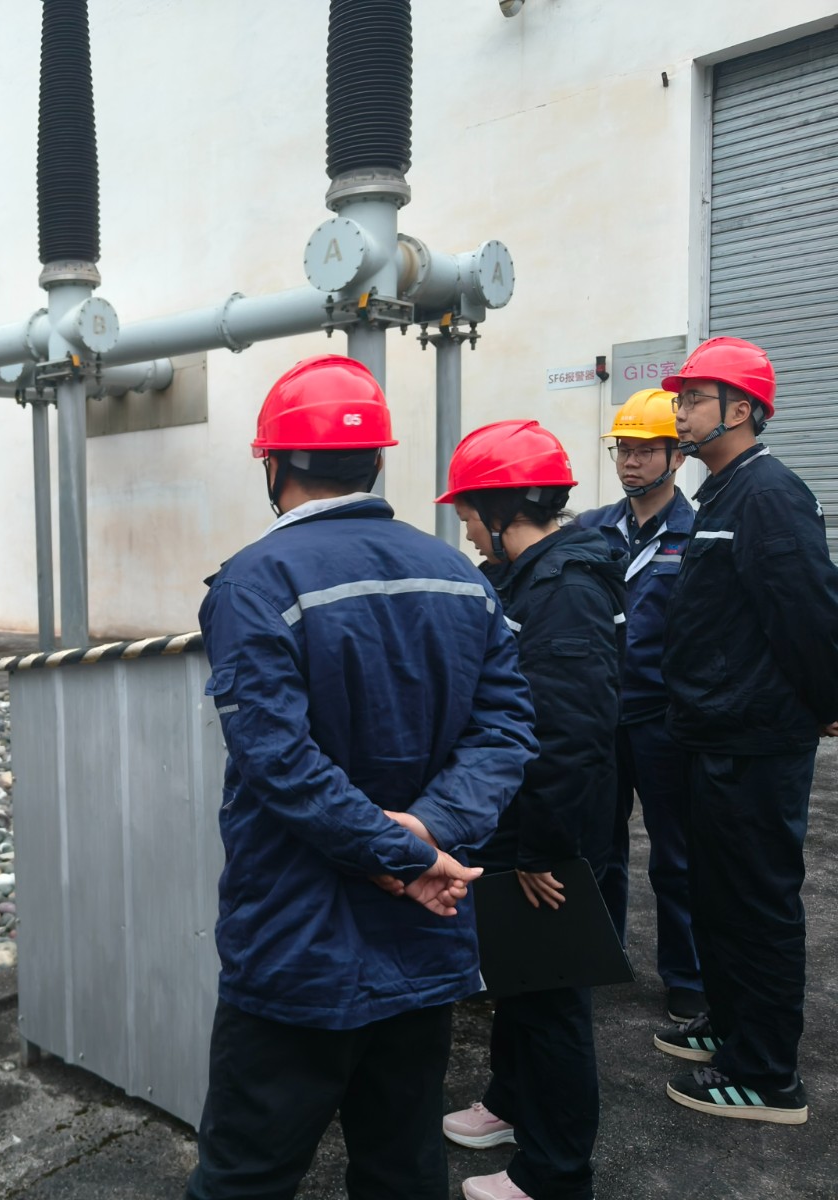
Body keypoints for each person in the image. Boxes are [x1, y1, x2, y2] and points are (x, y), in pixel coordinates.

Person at [185, 356, 537, 1200]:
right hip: (427, 934)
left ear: (273, 464)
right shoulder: (459, 574)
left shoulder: (255, 581)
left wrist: (400, 849)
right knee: (401, 1165)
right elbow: (507, 730)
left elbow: (279, 761)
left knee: (245, 1176)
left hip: (296, 939)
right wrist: (427, 833)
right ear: (377, 460)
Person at [652, 336, 838, 1125]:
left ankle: (766, 1076)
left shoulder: (768, 494)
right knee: (720, 897)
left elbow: (808, 611)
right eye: (681, 398)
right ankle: (730, 1027)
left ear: (742, 409)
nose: (681, 412)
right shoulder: (725, 493)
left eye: (695, 398)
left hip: (755, 740)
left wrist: (826, 701)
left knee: (757, 904)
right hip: (717, 734)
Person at [437, 420, 624, 1200]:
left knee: (551, 998)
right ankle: (510, 1104)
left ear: (503, 507)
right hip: (523, 824)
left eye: (469, 513)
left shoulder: (564, 589)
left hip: (547, 831)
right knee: (518, 979)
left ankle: (554, 1173)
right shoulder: (532, 575)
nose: (466, 529)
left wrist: (543, 848)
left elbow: (571, 731)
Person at [574, 390, 702, 1023]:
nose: (631, 462)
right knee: (597, 847)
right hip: (601, 715)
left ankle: (688, 976)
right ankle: (600, 954)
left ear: (676, 457)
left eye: (646, 450)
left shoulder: (698, 533)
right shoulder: (590, 530)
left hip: (663, 719)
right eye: (624, 450)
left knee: (677, 854)